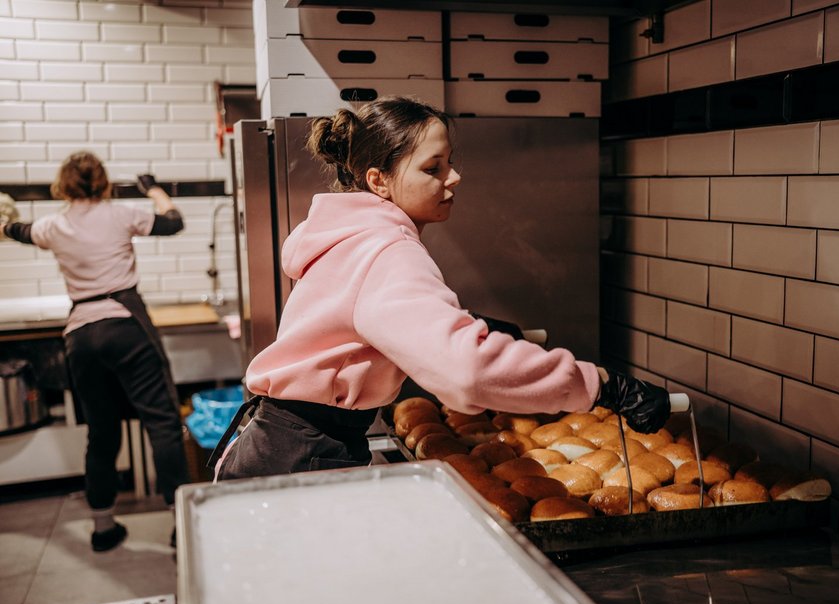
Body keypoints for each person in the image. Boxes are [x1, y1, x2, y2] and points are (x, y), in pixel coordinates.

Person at [211, 96, 670, 481]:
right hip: (300, 459)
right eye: (433, 168)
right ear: (378, 181)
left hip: (277, 445)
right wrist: (601, 386)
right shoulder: (386, 250)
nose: (453, 178)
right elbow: (467, 373)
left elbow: (357, 324)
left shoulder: (352, 238)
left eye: (449, 163)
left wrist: (467, 325)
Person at [0, 152, 190, 552]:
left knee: (101, 431)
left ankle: (103, 528)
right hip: (125, 326)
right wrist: (154, 189)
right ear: (102, 183)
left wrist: (3, 223)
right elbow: (173, 222)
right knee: (162, 423)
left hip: (81, 336)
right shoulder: (121, 215)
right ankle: (181, 525)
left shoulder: (52, 226)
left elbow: (16, 230)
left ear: (62, 185)